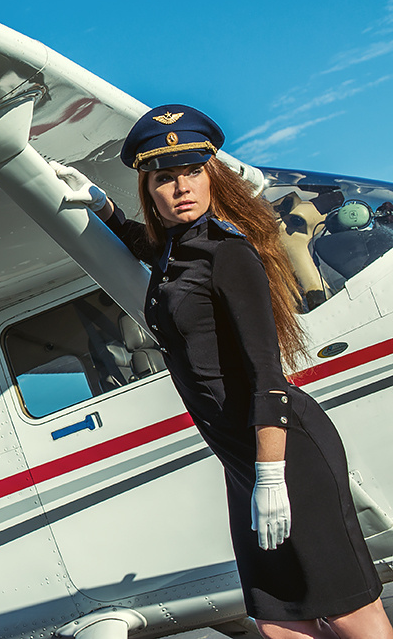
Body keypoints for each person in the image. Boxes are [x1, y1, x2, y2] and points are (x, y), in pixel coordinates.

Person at [53, 104, 391, 639]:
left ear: (211, 177)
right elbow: (154, 247)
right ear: (151, 188)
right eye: (165, 177)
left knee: (347, 608)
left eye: (193, 172)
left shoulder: (230, 254)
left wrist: (271, 476)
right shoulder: (180, 251)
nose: (182, 187)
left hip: (283, 456)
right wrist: (105, 208)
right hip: (244, 462)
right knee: (280, 616)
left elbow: (267, 375)